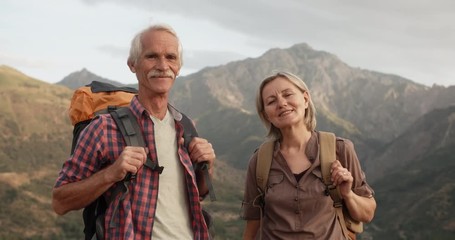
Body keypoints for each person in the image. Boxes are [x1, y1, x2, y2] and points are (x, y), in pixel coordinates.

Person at [52, 24, 215, 239]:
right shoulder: (103, 129)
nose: (162, 65)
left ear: (179, 67)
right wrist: (110, 174)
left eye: (170, 57)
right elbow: (60, 201)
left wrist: (208, 166)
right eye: (151, 56)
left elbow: (197, 195)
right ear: (132, 64)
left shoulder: (185, 126)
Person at [241, 71, 376, 239]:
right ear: (266, 115)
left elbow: (367, 214)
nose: (281, 103)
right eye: (271, 101)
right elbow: (253, 222)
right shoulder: (260, 160)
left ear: (305, 99)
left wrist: (347, 194)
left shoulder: (339, 149)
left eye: (288, 94)